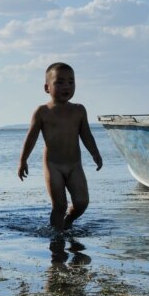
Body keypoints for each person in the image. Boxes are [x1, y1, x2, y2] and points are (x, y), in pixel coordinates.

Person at [18, 62, 103, 233]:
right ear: (47, 88)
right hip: (53, 166)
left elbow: (86, 135)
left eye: (71, 82)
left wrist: (95, 153)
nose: (66, 86)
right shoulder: (42, 112)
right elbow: (31, 137)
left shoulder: (79, 110)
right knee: (60, 205)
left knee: (82, 202)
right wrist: (23, 160)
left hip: (74, 166)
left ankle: (68, 221)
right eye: (60, 82)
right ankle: (56, 236)